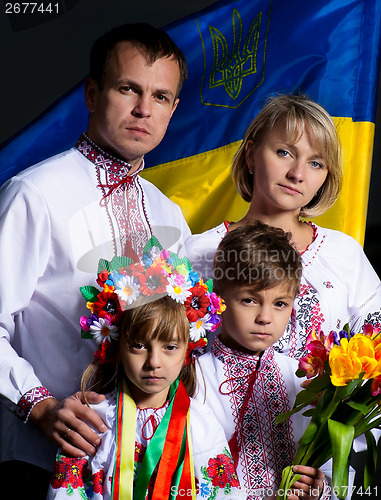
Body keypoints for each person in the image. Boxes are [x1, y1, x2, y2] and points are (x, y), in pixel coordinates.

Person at [0, 23, 191, 495]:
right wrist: (39, 407)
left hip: (146, 473)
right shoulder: (35, 194)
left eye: (161, 97)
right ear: (91, 93)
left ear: (173, 109)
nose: (144, 109)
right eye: (129, 89)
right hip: (41, 459)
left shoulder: (169, 214)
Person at [185, 94, 381, 359]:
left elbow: (373, 354)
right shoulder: (199, 251)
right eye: (284, 152)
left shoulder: (344, 253)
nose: (297, 174)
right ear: (251, 154)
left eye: (315, 163)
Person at [47, 244, 244, 499]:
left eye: (170, 347)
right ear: (118, 348)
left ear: (188, 351)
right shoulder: (92, 422)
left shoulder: (201, 423)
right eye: (139, 345)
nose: (154, 361)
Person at [194, 222, 349, 500]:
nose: (265, 317)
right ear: (218, 297)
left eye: (280, 303)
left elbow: (331, 468)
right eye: (250, 300)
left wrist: (320, 488)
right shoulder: (195, 378)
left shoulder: (301, 379)